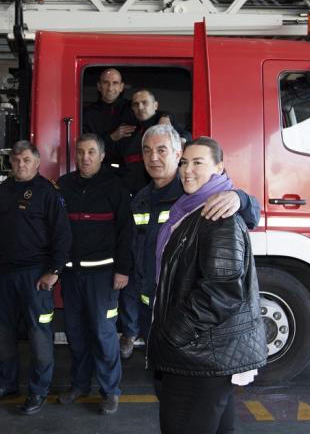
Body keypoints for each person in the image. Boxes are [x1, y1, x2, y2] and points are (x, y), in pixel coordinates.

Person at [148, 136, 267, 434]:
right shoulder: (191, 207)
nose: (187, 170)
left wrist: (174, 332)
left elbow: (222, 290)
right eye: (184, 162)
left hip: (199, 356)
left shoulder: (218, 215)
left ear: (219, 168)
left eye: (198, 162)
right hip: (205, 354)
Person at [121, 124, 260, 360]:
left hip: (184, 316)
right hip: (150, 309)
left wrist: (241, 198)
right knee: (164, 386)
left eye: (162, 150)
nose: (153, 157)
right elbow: (136, 255)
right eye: (147, 150)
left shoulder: (194, 191)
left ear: (177, 154)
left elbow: (245, 215)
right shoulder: (140, 199)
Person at [0, 140, 71, 416]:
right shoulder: (3, 191)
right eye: (16, 160)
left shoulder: (48, 193)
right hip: (5, 274)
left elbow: (62, 235)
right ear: (10, 163)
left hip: (36, 276)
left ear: (37, 163)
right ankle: (7, 384)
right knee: (1, 333)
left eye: (26, 160)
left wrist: (54, 271)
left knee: (39, 336)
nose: (21, 165)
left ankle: (38, 391)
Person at [56, 133, 133, 415]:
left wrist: (123, 270)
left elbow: (126, 232)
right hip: (72, 276)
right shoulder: (64, 186)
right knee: (76, 334)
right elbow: (57, 231)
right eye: (80, 153)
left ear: (102, 156)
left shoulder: (115, 187)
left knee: (103, 334)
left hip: (103, 277)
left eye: (91, 152)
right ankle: (79, 385)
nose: (85, 158)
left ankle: (110, 390)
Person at [115, 89, 191, 195]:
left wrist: (167, 117)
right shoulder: (128, 130)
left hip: (161, 191)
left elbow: (187, 137)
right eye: (135, 104)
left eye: (144, 102)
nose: (140, 107)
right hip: (131, 193)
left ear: (155, 105)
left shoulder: (166, 125)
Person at [82, 68, 134, 164]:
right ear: (99, 86)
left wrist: (166, 116)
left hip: (128, 170)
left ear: (121, 87)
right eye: (106, 82)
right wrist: (112, 137)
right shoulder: (87, 114)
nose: (110, 88)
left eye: (115, 83)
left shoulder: (133, 107)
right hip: (100, 169)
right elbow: (85, 145)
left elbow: (152, 114)